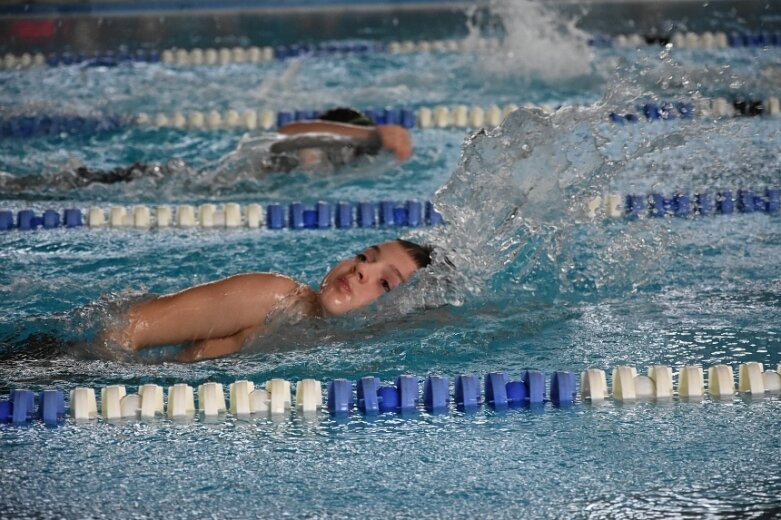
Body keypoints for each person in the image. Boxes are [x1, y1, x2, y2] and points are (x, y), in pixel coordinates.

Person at [105, 239, 431, 362]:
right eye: (365, 256)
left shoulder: (352, 353)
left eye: (385, 283)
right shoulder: (277, 298)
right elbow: (129, 327)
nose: (362, 269)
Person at [0, 107, 412, 194]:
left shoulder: (319, 172)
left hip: (179, 183)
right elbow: (290, 129)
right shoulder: (303, 146)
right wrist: (371, 136)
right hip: (166, 179)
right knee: (63, 185)